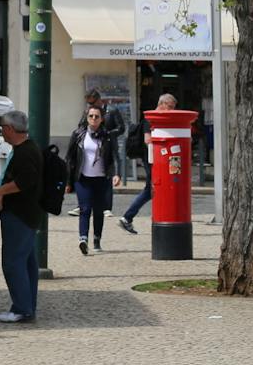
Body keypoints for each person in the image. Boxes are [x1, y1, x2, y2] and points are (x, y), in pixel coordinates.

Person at [0, 109, 43, 323]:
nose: (1, 130)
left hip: (20, 215)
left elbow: (25, 181)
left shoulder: (26, 152)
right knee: (26, 262)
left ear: (10, 129)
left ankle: (21, 308)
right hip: (25, 214)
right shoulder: (24, 148)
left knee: (13, 262)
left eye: (2, 127)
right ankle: (28, 306)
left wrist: (1, 191)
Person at [66, 103, 122, 253]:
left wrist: (116, 174)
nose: (93, 119)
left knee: (98, 211)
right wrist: (68, 181)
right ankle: (83, 238)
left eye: (97, 116)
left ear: (102, 119)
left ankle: (97, 239)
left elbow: (114, 156)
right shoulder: (78, 134)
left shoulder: (107, 137)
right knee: (85, 209)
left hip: (101, 178)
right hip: (82, 178)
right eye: (91, 116)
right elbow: (70, 158)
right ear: (86, 117)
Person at [118, 92, 175, 232]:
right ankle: (128, 217)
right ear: (161, 104)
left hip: (157, 160)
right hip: (152, 160)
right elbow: (147, 140)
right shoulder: (150, 118)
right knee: (151, 190)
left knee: (151, 190)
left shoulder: (160, 119)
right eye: (170, 106)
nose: (172, 110)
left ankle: (129, 218)